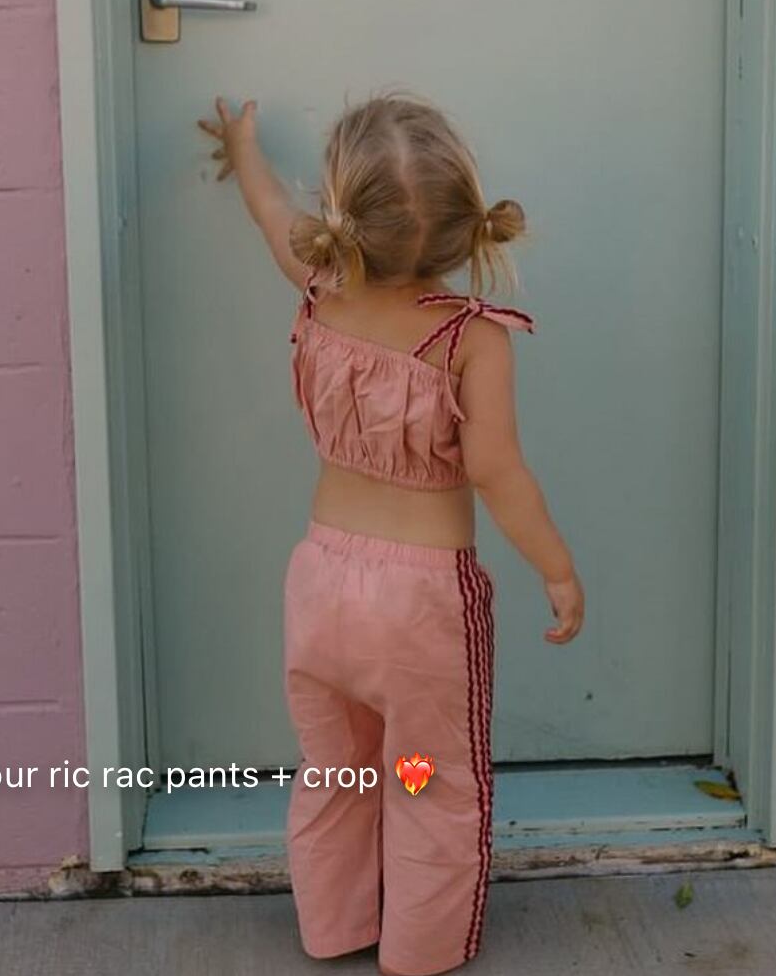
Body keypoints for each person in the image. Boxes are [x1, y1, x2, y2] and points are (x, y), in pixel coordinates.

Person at [198, 90, 585, 976]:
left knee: (337, 768)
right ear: (460, 227)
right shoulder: (469, 338)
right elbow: (497, 472)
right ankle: (420, 948)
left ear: (344, 211)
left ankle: (332, 927)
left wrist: (245, 146)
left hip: (320, 587)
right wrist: (557, 568)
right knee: (425, 776)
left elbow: (267, 208)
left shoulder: (319, 285)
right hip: (419, 613)